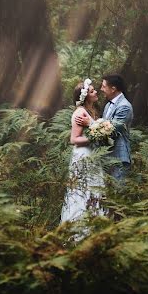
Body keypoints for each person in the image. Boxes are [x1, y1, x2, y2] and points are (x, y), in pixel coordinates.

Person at [60, 78, 105, 223]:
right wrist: (95, 137)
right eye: (92, 91)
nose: (96, 91)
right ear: (86, 96)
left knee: (92, 188)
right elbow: (74, 139)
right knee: (82, 189)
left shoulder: (90, 111)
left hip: (91, 154)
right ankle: (79, 225)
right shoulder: (80, 113)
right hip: (83, 155)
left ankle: (93, 222)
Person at [77, 73, 133, 182]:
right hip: (106, 156)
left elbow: (113, 131)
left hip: (118, 156)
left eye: (103, 86)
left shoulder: (124, 106)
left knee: (117, 193)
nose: (101, 89)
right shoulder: (108, 105)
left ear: (113, 89)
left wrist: (90, 123)